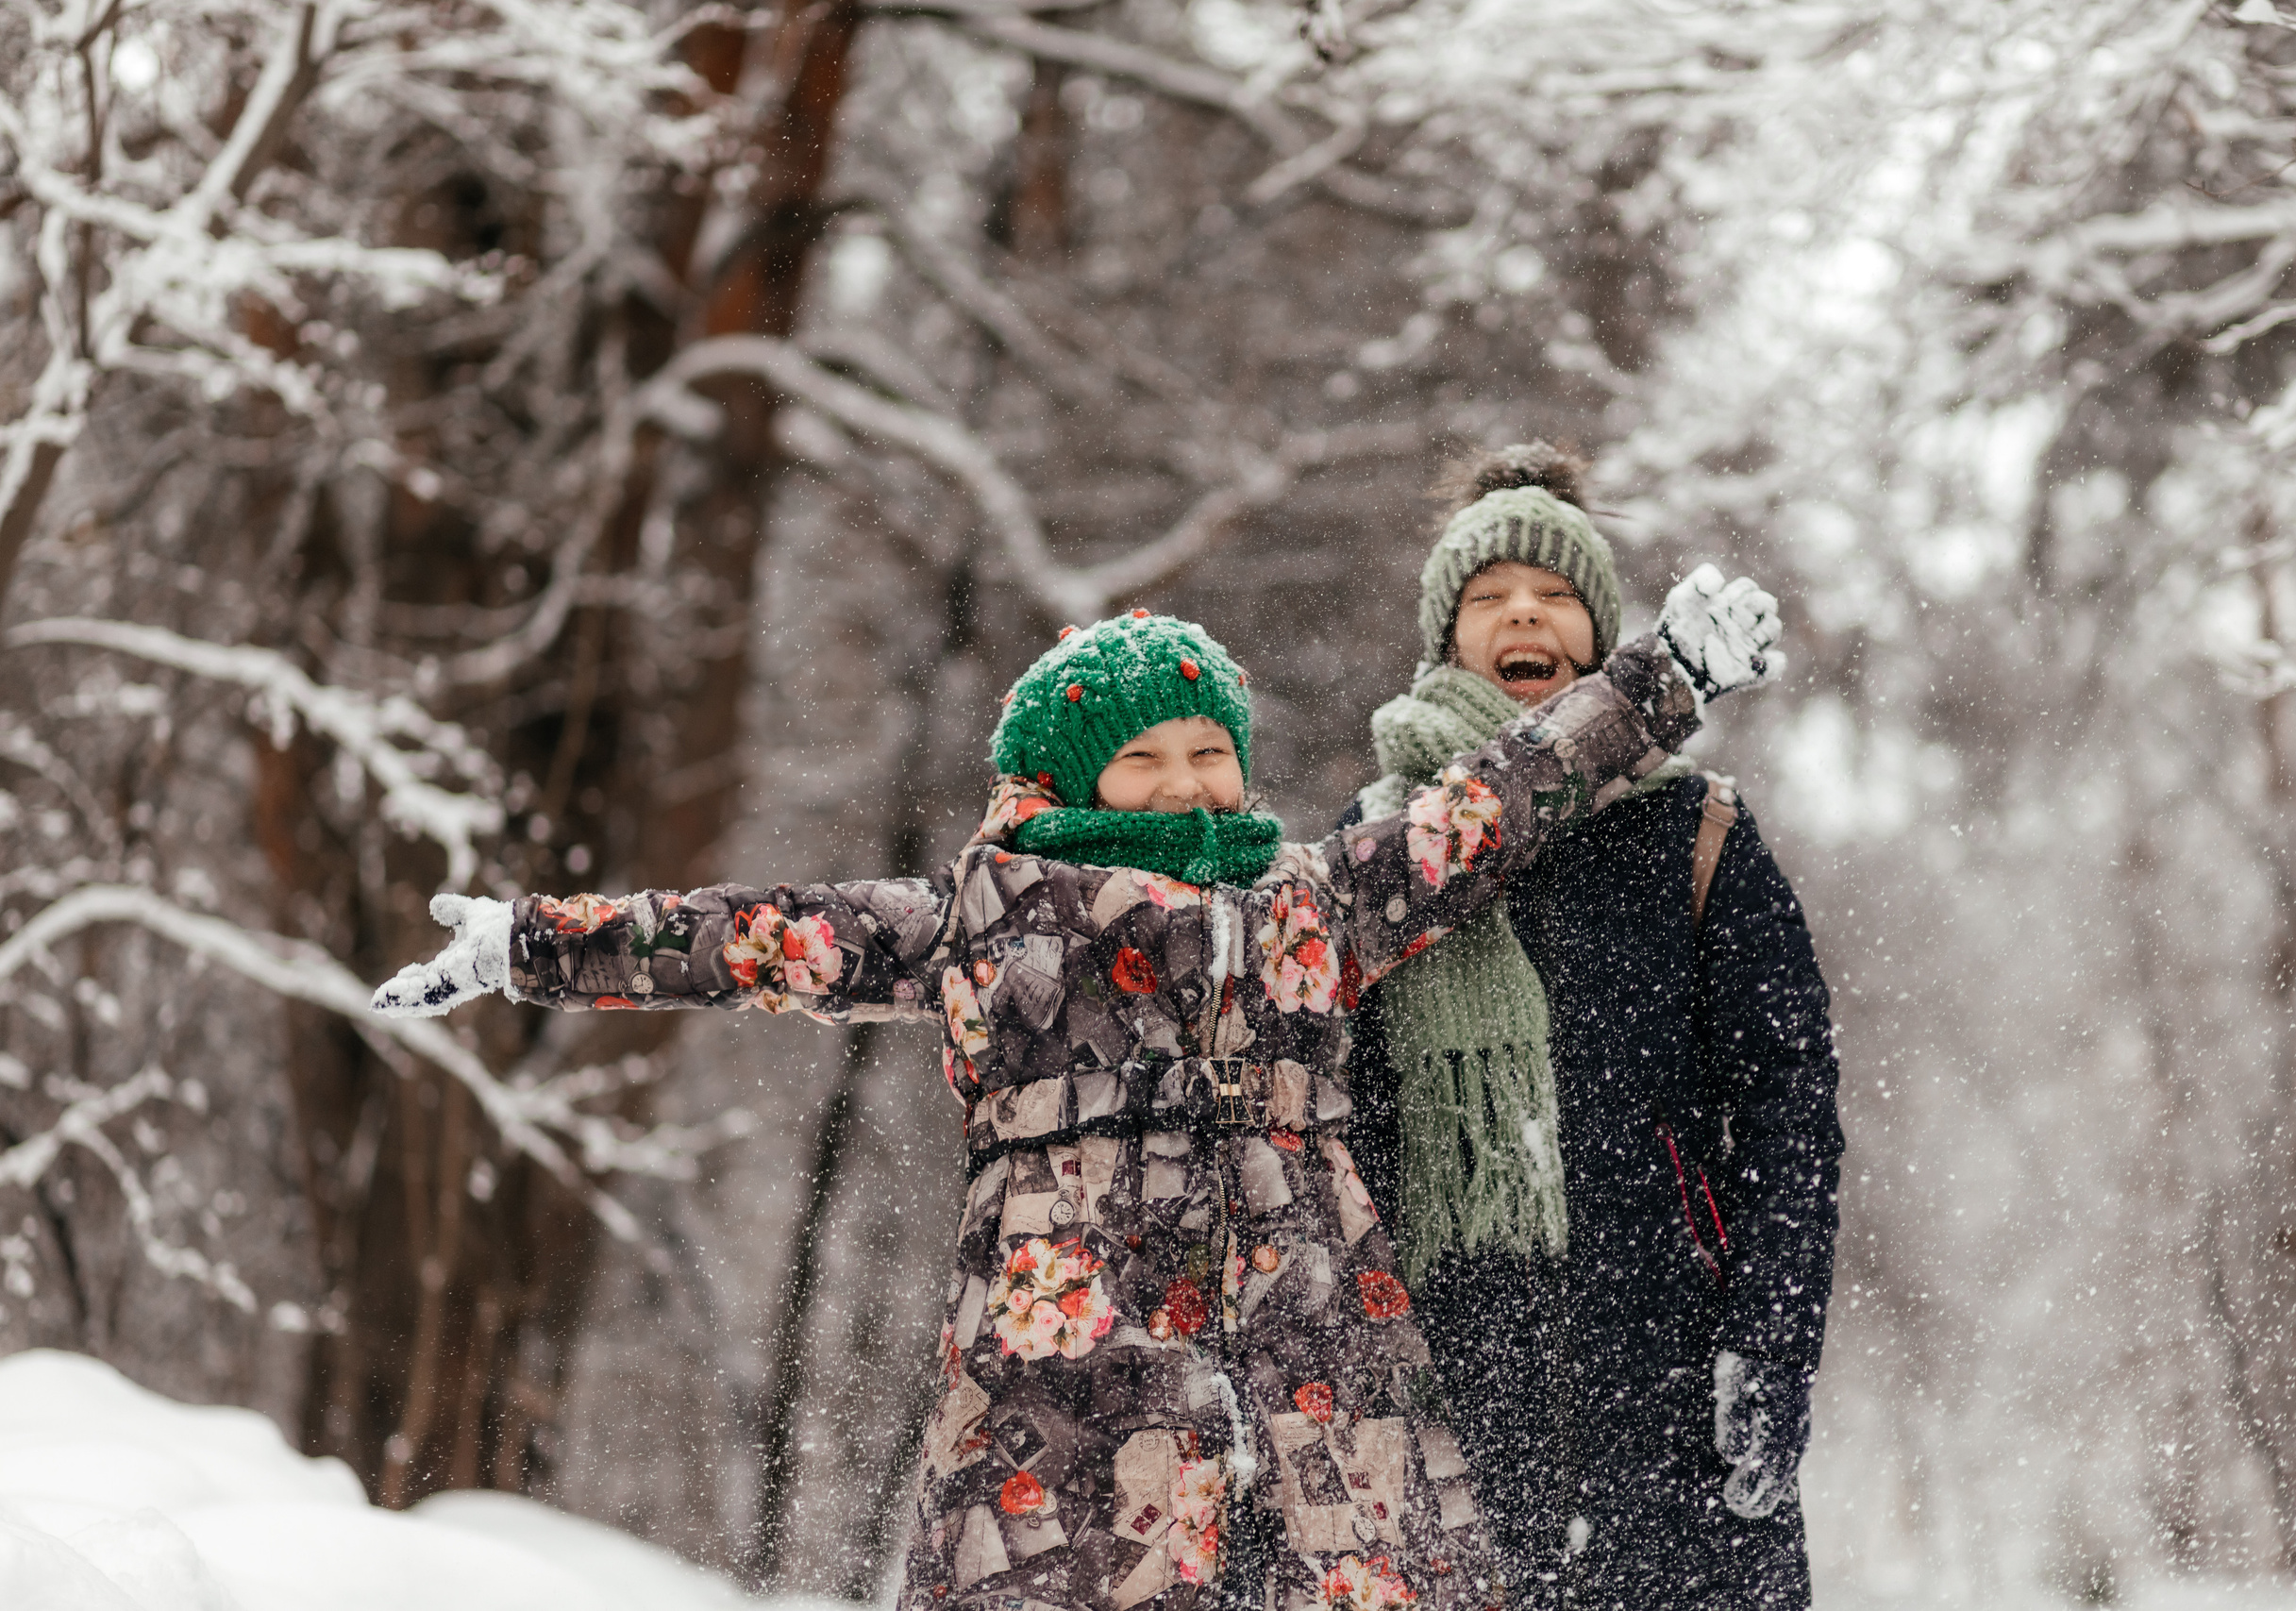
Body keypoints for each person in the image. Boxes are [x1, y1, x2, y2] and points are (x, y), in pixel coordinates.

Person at [371, 594, 1783, 1611]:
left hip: (1308, 1347)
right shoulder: (988, 918)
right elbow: (757, 934)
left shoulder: (1309, 899)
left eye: (1209, 752)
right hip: (1077, 1363)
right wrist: (529, 942)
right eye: (1146, 758)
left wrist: (1662, 676)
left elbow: (1493, 800)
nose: (1187, 783)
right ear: (1064, 779)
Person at [1338, 445, 1844, 1610]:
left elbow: (1789, 1108)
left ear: (1599, 627)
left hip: (1662, 1368)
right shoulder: (1376, 851)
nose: (1524, 611)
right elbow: (1326, 1130)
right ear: (1443, 639)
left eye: (1556, 593)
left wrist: (1768, 1335)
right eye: (1488, 596)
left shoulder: (1697, 832)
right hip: (1443, 1373)